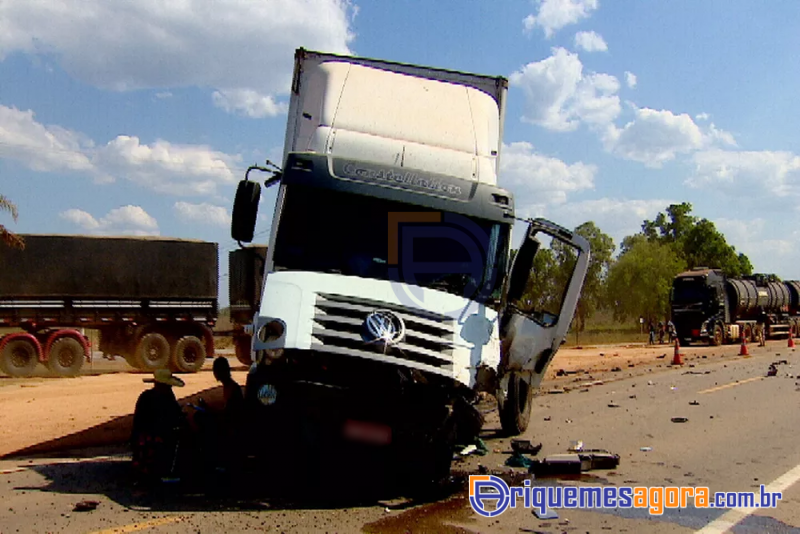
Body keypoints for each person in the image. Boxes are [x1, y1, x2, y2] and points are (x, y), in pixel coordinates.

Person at [131, 369, 186, 481]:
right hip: (153, 437)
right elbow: (170, 419)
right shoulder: (163, 399)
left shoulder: (146, 396)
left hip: (141, 437)